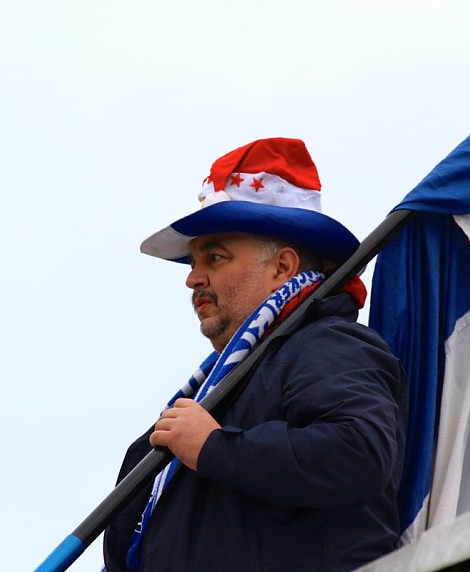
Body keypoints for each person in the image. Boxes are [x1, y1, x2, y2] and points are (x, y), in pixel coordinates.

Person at [103, 138, 409, 572]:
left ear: (282, 268)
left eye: (215, 257)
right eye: (193, 261)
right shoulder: (217, 391)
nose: (193, 278)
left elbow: (357, 452)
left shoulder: (327, 343)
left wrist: (213, 447)